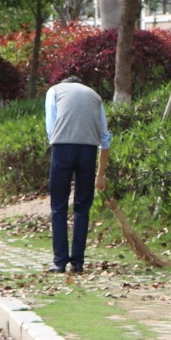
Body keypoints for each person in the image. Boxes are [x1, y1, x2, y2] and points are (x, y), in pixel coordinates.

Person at [43, 74, 111, 273]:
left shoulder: (55, 91)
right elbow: (105, 137)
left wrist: (58, 144)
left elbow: (51, 127)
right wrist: (101, 174)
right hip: (88, 151)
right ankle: (78, 262)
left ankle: (60, 261)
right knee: (82, 207)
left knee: (59, 206)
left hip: (62, 148)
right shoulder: (94, 95)